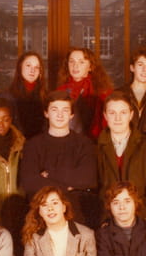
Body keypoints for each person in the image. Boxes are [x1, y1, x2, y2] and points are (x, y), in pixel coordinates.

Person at [19, 90, 98, 226]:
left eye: (65, 110)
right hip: (41, 216)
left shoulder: (84, 143)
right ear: (46, 113)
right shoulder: (33, 144)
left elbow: (88, 179)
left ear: (72, 115)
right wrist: (69, 186)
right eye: (54, 110)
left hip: (76, 214)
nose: (60, 115)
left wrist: (49, 173)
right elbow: (28, 182)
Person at [97, 90, 146, 223]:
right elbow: (97, 191)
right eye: (112, 113)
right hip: (109, 222)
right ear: (105, 116)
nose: (117, 118)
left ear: (131, 115)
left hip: (144, 220)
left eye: (123, 113)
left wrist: (133, 217)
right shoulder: (96, 148)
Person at [56, 46, 113, 140]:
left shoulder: (102, 91)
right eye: (71, 61)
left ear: (90, 67)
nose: (75, 66)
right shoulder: (60, 91)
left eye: (81, 62)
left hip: (93, 142)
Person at [0, 51, 47, 139]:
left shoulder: (45, 96)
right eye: (28, 65)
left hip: (41, 144)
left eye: (36, 67)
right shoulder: (6, 97)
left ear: (40, 72)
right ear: (20, 67)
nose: (32, 70)